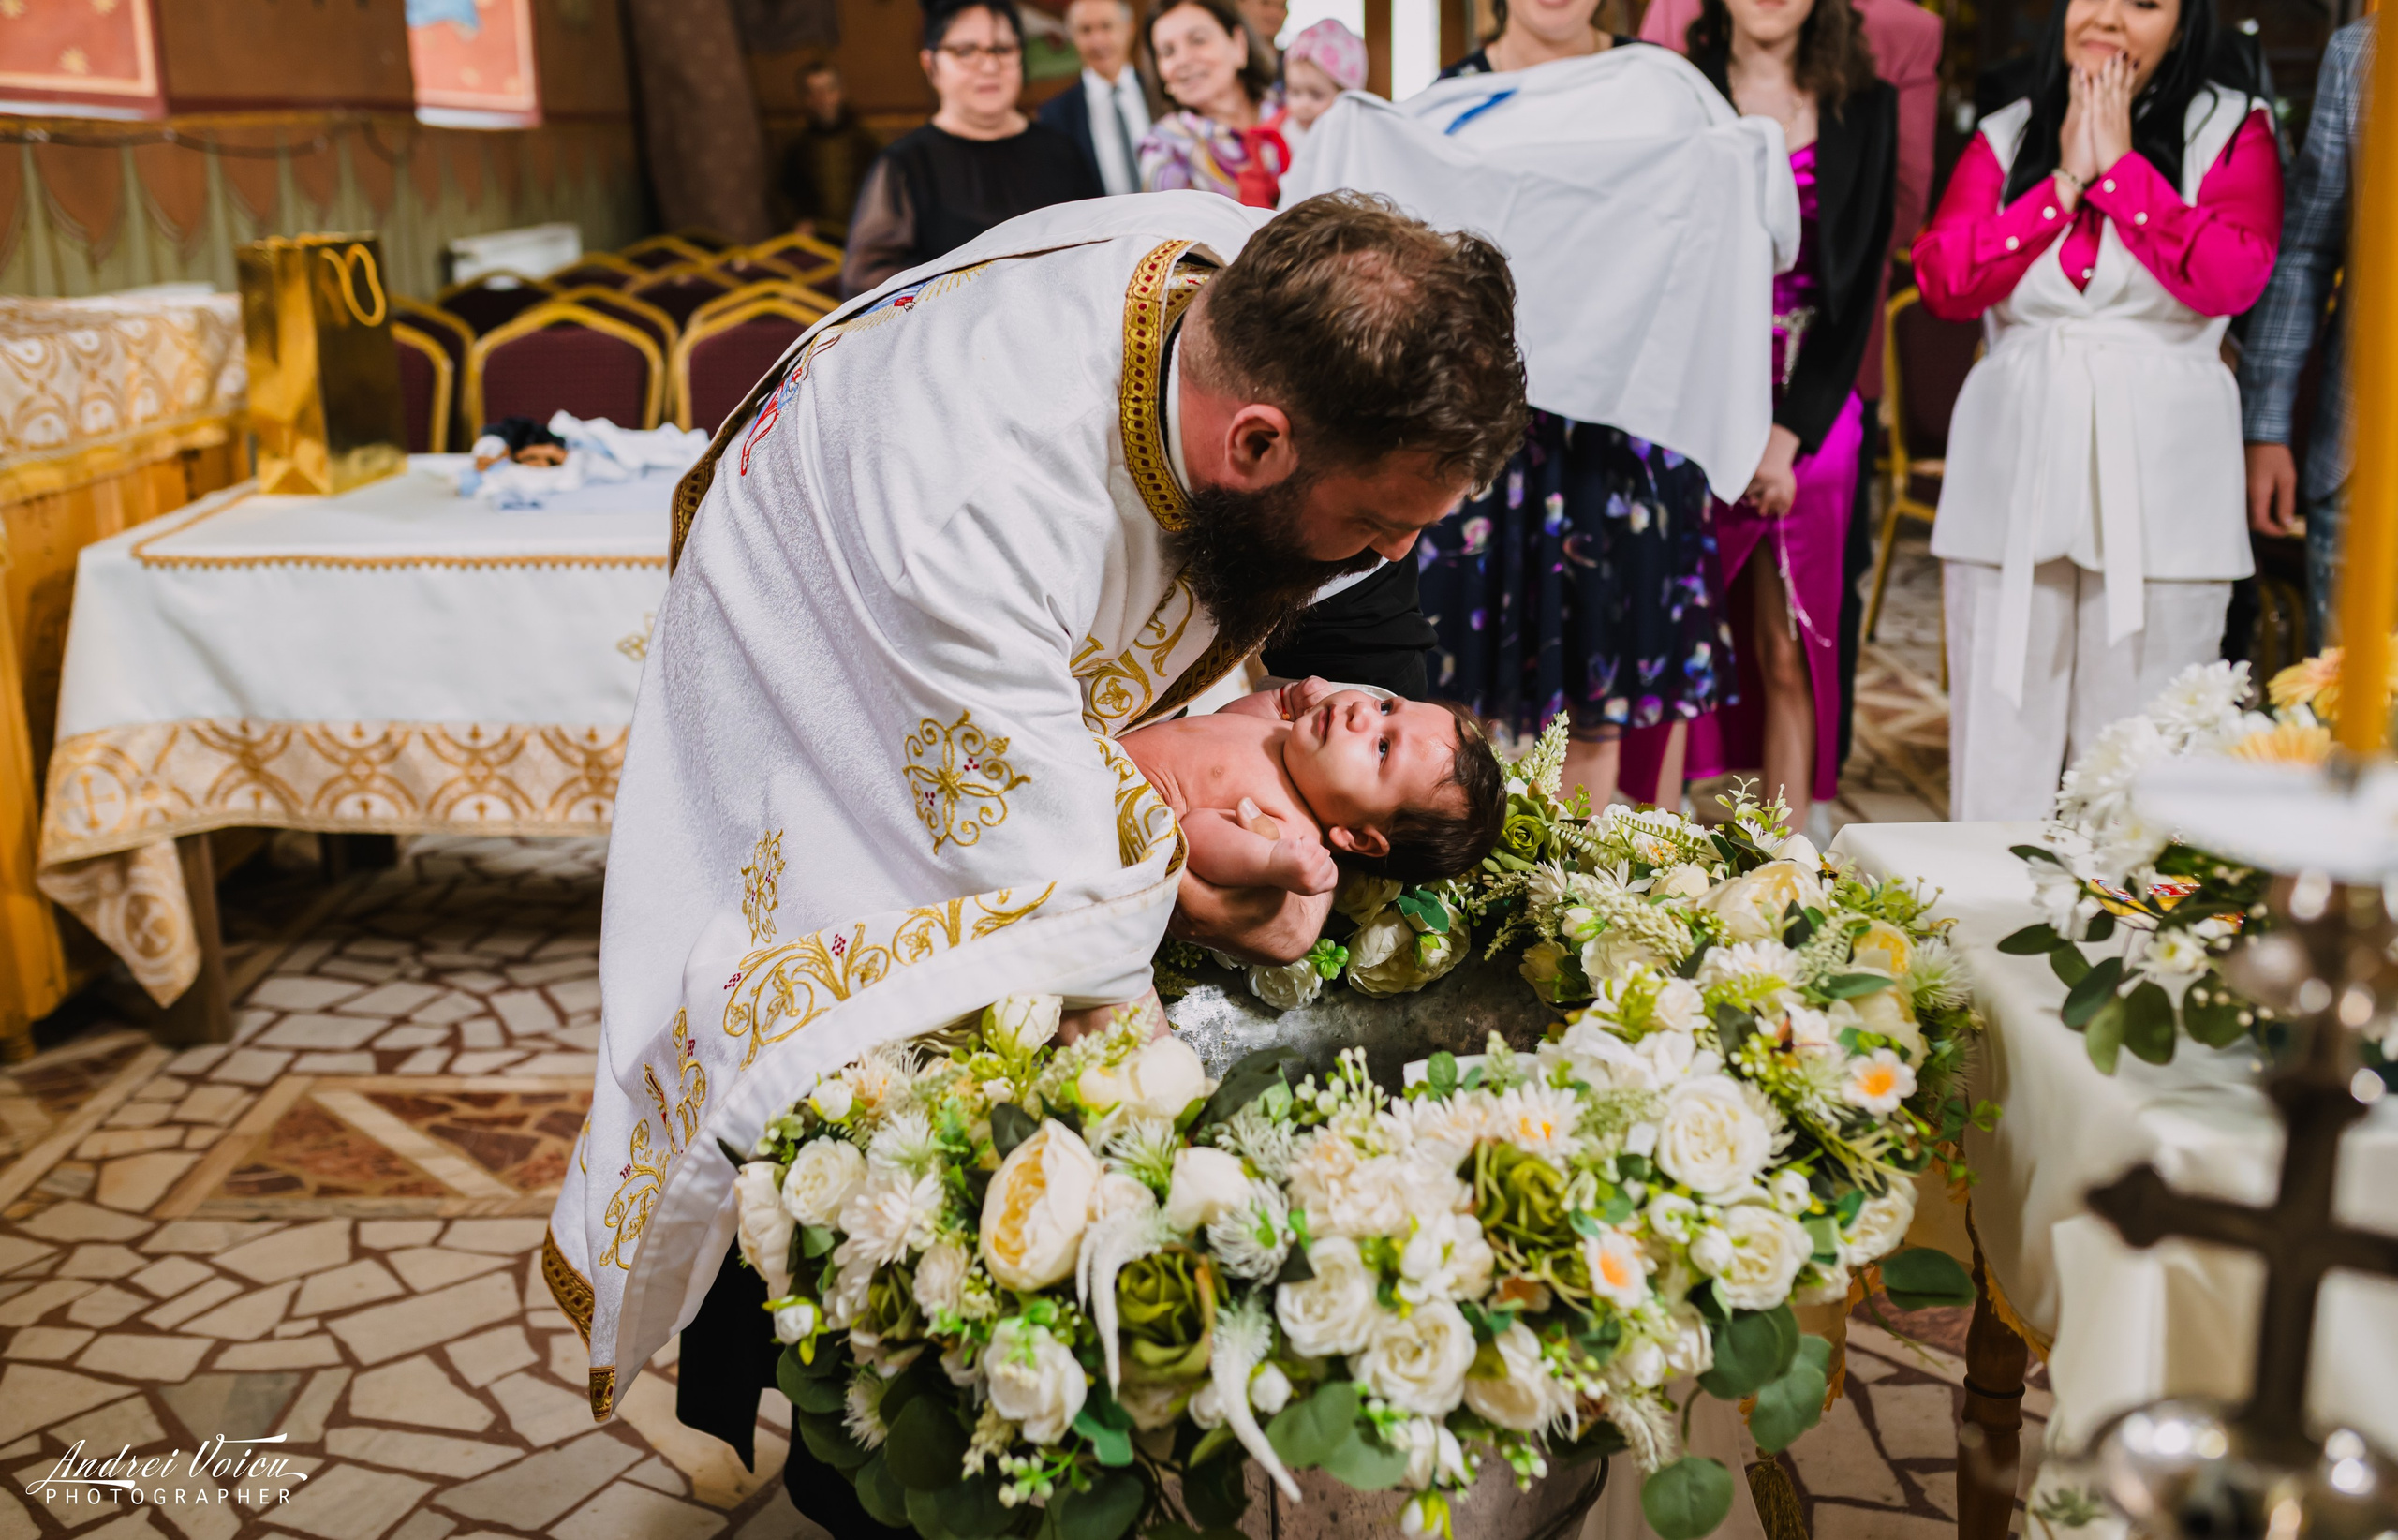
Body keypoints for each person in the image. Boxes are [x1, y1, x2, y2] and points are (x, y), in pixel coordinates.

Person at [551, 188, 1526, 1537]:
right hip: (819, 648)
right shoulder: (973, 514)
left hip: (976, 621)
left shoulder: (1259, 279)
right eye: (1376, 525)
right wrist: (1179, 884)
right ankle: (862, 1446)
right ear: (1254, 440)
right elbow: (1050, 844)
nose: (1392, 559)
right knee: (851, 1014)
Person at [1914, 0, 2281, 820]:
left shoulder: (2231, 127)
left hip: (2166, 473)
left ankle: (2132, 945)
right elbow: (1943, 277)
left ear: (2184, 27)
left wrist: (2123, 174)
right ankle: (1982, 938)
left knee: (2144, 754)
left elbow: (2234, 275)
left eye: (2144, 4)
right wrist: (2064, 187)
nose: (2108, 17)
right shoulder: (2008, 132)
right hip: (2013, 461)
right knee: (1998, 732)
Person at [1421, 0, 1725, 815]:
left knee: (1599, 682)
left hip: (1620, 431)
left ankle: (1582, 901)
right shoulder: (1446, 106)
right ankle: (1467, 891)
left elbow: (1718, 237)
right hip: (1492, 434)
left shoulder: (1662, 89)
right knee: (1460, 684)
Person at [1639, 0, 1940, 781]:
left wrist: (1787, 435)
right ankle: (1641, 847)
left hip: (1813, 383)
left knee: (1787, 644)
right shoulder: (1674, 90)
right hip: (1693, 395)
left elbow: (1859, 286)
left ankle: (1787, 861)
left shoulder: (1865, 104)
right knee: (1674, 635)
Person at [1122, 683, 1504, 939]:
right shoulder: (1289, 737)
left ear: (1356, 837)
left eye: (1383, 747)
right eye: (1386, 707)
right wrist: (1280, 701)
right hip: (1099, 746)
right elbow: (1217, 724)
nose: (1361, 713)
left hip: (1109, 810)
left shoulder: (1292, 831)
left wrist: (1268, 862)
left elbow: (1195, 834)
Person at [2240, 15, 2370, 650]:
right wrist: (2265, 424)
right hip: (2359, 455)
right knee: (2340, 717)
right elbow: (2305, 253)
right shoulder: (2362, 57)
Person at [840, 0, 1102, 296]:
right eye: (965, 51)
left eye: (1003, 49)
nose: (990, 66)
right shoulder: (905, 165)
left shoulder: (1061, 151)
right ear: (931, 65)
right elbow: (866, 284)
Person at [1140, 0, 1289, 204]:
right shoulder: (1164, 149)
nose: (1182, 59)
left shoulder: (1293, 109)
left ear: (1238, 44)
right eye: (1168, 52)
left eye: (1198, 40)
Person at [1038, 0, 1157, 195]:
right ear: (1072, 37)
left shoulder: (1161, 94)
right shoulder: (1056, 115)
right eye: (1085, 30)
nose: (1098, 41)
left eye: (1106, 26)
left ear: (1129, 29)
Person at [777, 61, 885, 236]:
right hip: (819, 238)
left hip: (863, 234)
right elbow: (784, 193)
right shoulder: (797, 148)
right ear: (806, 99)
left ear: (841, 92)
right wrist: (798, 221)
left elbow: (885, 188)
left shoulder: (866, 142)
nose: (823, 99)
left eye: (829, 90)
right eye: (814, 93)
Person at [1281, 17, 1368, 148]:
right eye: (1295, 93)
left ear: (1346, 96)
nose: (1303, 105)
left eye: (1316, 95)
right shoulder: (1282, 135)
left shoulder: (1354, 139)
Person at [1238, 0, 1290, 81]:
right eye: (1265, 3)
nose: (1274, 13)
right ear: (1241, 5)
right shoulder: (1230, 64)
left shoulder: (1293, 62)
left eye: (1282, 6)